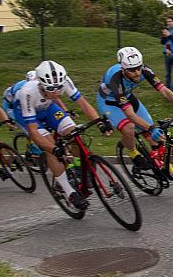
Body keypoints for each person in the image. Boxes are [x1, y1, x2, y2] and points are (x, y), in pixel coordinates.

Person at [13, 60, 112, 210]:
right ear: (40, 84)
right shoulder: (27, 92)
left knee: (73, 133)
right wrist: (53, 149)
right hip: (27, 115)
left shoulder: (64, 80)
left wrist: (99, 123)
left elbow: (83, 104)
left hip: (48, 108)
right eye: (51, 88)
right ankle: (69, 191)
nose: (57, 92)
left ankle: (79, 170)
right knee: (50, 146)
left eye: (59, 87)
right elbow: (33, 131)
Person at [97, 47, 173, 171]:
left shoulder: (145, 70)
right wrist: (151, 128)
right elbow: (130, 115)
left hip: (127, 97)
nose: (137, 72)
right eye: (132, 70)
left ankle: (160, 165)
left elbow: (164, 91)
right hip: (109, 103)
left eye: (139, 67)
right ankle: (133, 153)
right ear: (123, 69)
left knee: (155, 139)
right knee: (129, 128)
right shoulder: (115, 78)